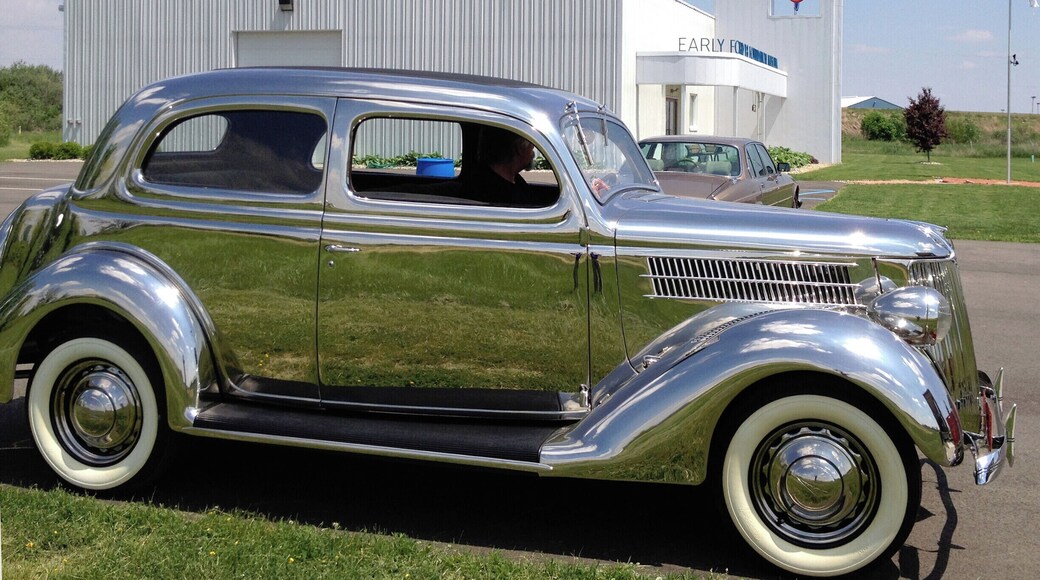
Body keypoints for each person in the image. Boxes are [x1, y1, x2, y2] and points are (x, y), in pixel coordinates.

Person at [463, 126, 537, 205]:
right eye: (531, 147)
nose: (533, 154)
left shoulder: (515, 179)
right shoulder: (489, 190)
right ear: (519, 147)